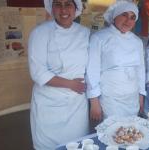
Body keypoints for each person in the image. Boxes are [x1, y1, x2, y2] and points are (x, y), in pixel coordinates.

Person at [28, 0, 90, 149]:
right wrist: (71, 84)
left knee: (77, 144)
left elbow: (92, 65)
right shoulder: (40, 32)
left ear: (76, 8)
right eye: (58, 4)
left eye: (68, 4)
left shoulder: (85, 33)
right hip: (48, 103)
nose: (63, 9)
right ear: (51, 8)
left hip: (76, 104)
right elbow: (38, 72)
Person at [86, 1, 146, 122]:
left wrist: (141, 95)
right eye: (124, 15)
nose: (128, 20)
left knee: (131, 133)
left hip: (132, 98)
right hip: (110, 100)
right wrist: (94, 101)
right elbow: (91, 71)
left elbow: (140, 70)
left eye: (133, 17)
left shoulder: (137, 41)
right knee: (112, 133)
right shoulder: (99, 38)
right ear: (114, 16)